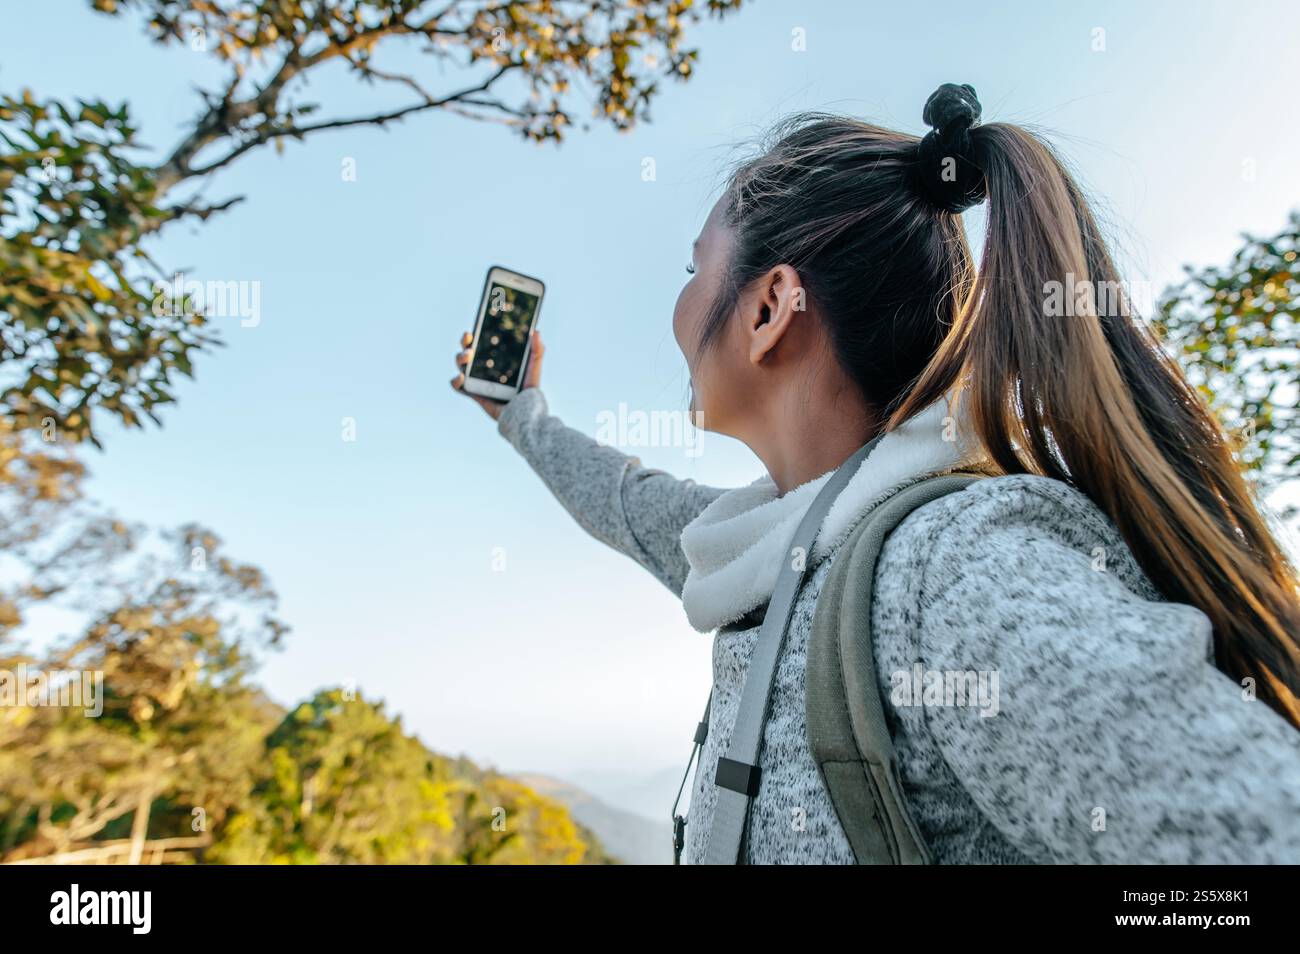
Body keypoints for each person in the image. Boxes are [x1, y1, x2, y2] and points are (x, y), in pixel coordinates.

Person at [452, 84, 1300, 864]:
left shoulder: (957, 569)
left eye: (692, 267)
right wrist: (522, 415)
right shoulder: (767, 547)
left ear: (768, 306)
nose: (679, 308)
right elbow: (629, 505)